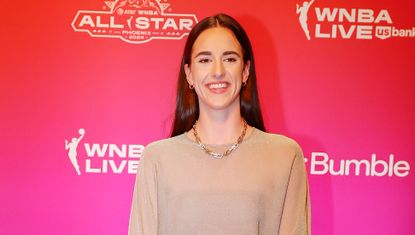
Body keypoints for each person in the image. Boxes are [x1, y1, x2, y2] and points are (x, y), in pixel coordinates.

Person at [129, 13, 311, 235]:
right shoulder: (157, 158)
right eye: (205, 60)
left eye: (230, 59)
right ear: (189, 74)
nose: (217, 72)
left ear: (245, 71)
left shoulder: (285, 155)